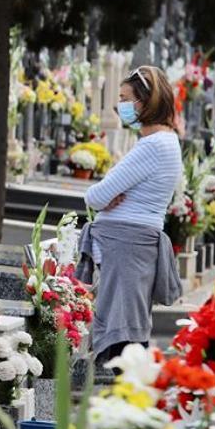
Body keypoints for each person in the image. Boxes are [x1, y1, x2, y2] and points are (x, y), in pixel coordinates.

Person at [79, 65, 183, 364]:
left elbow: (96, 196)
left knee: (121, 335)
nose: (121, 105)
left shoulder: (152, 146)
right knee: (127, 330)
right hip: (132, 244)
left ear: (144, 101)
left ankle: (123, 400)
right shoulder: (165, 142)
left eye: (126, 98)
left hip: (125, 245)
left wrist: (106, 198)